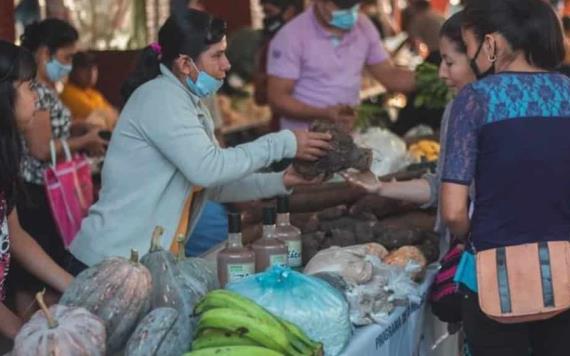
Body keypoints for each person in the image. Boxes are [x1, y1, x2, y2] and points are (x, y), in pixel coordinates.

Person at [68, 9, 332, 271]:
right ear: (185, 64)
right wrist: (283, 143)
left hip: (139, 265)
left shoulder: (192, 106)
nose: (226, 64)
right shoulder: (160, 98)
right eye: (217, 55)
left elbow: (212, 186)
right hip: (107, 262)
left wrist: (279, 180)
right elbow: (208, 169)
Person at [440, 0, 570, 355]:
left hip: (494, 280)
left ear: (492, 44)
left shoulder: (475, 99)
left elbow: (453, 211)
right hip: (565, 273)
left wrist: (476, 233)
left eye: (469, 48)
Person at [10, 19, 106, 316]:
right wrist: (85, 139)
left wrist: (74, 128)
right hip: (38, 192)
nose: (67, 66)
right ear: (43, 53)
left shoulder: (44, 89)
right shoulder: (36, 90)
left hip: (40, 192)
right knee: (32, 283)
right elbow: (40, 149)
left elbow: (17, 240)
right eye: (65, 58)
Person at [0, 41, 73, 338]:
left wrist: (75, 287)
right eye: (30, 87)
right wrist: (27, 337)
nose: (37, 99)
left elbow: (15, 236)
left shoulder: (5, 158)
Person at [267, 0, 416, 132]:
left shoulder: (364, 26)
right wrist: (324, 113)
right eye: (342, 6)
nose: (350, 13)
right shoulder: (291, 36)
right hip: (303, 140)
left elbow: (388, 74)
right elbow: (277, 98)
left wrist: (431, 79)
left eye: (353, 6)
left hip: (347, 135)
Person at [60, 51, 118, 130]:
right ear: (72, 70)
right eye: (85, 68)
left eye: (94, 68)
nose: (91, 72)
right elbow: (95, 116)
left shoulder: (95, 94)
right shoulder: (68, 93)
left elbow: (115, 116)